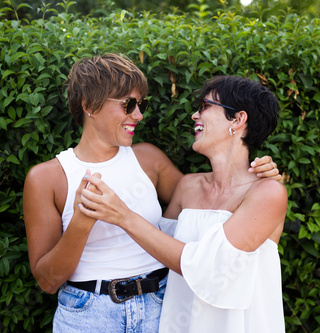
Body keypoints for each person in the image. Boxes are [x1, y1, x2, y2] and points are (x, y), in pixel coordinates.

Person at [22, 54, 281, 332]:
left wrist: (261, 179)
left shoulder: (149, 160)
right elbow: (47, 281)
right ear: (89, 105)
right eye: (129, 105)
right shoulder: (46, 178)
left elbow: (212, 211)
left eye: (141, 104)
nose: (139, 115)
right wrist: (81, 224)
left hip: (160, 310)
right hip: (88, 316)